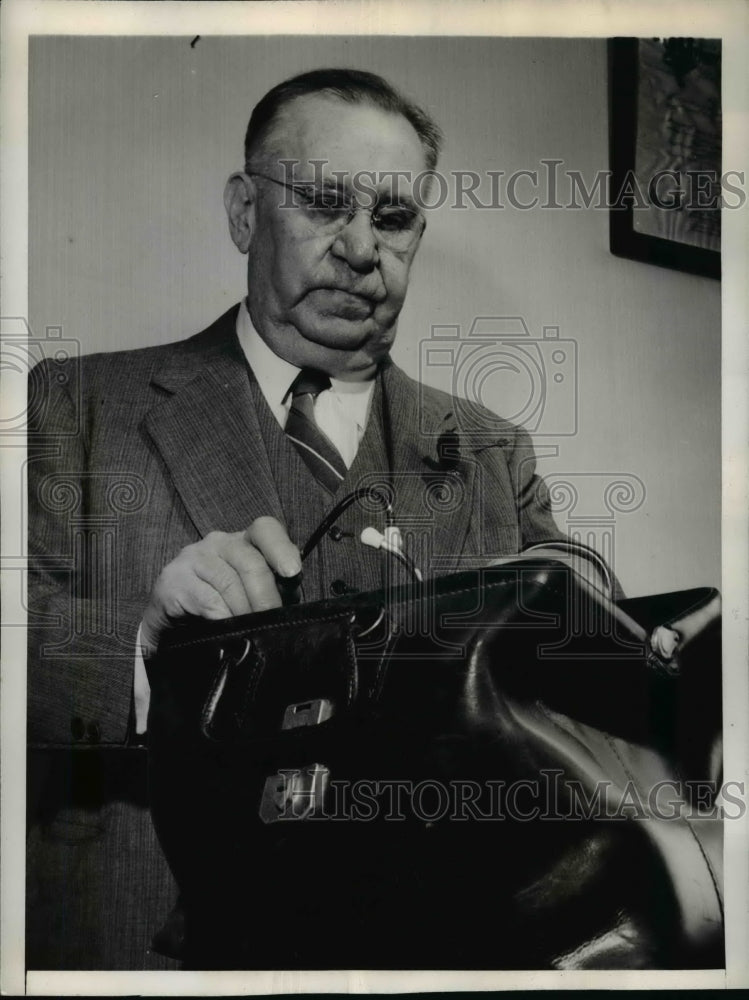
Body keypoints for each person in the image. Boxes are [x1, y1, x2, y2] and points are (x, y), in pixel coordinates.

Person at [26, 68, 569, 970]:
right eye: (323, 203)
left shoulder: (488, 449)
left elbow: (583, 662)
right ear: (245, 212)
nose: (360, 249)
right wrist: (141, 644)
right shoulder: (75, 406)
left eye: (392, 219)